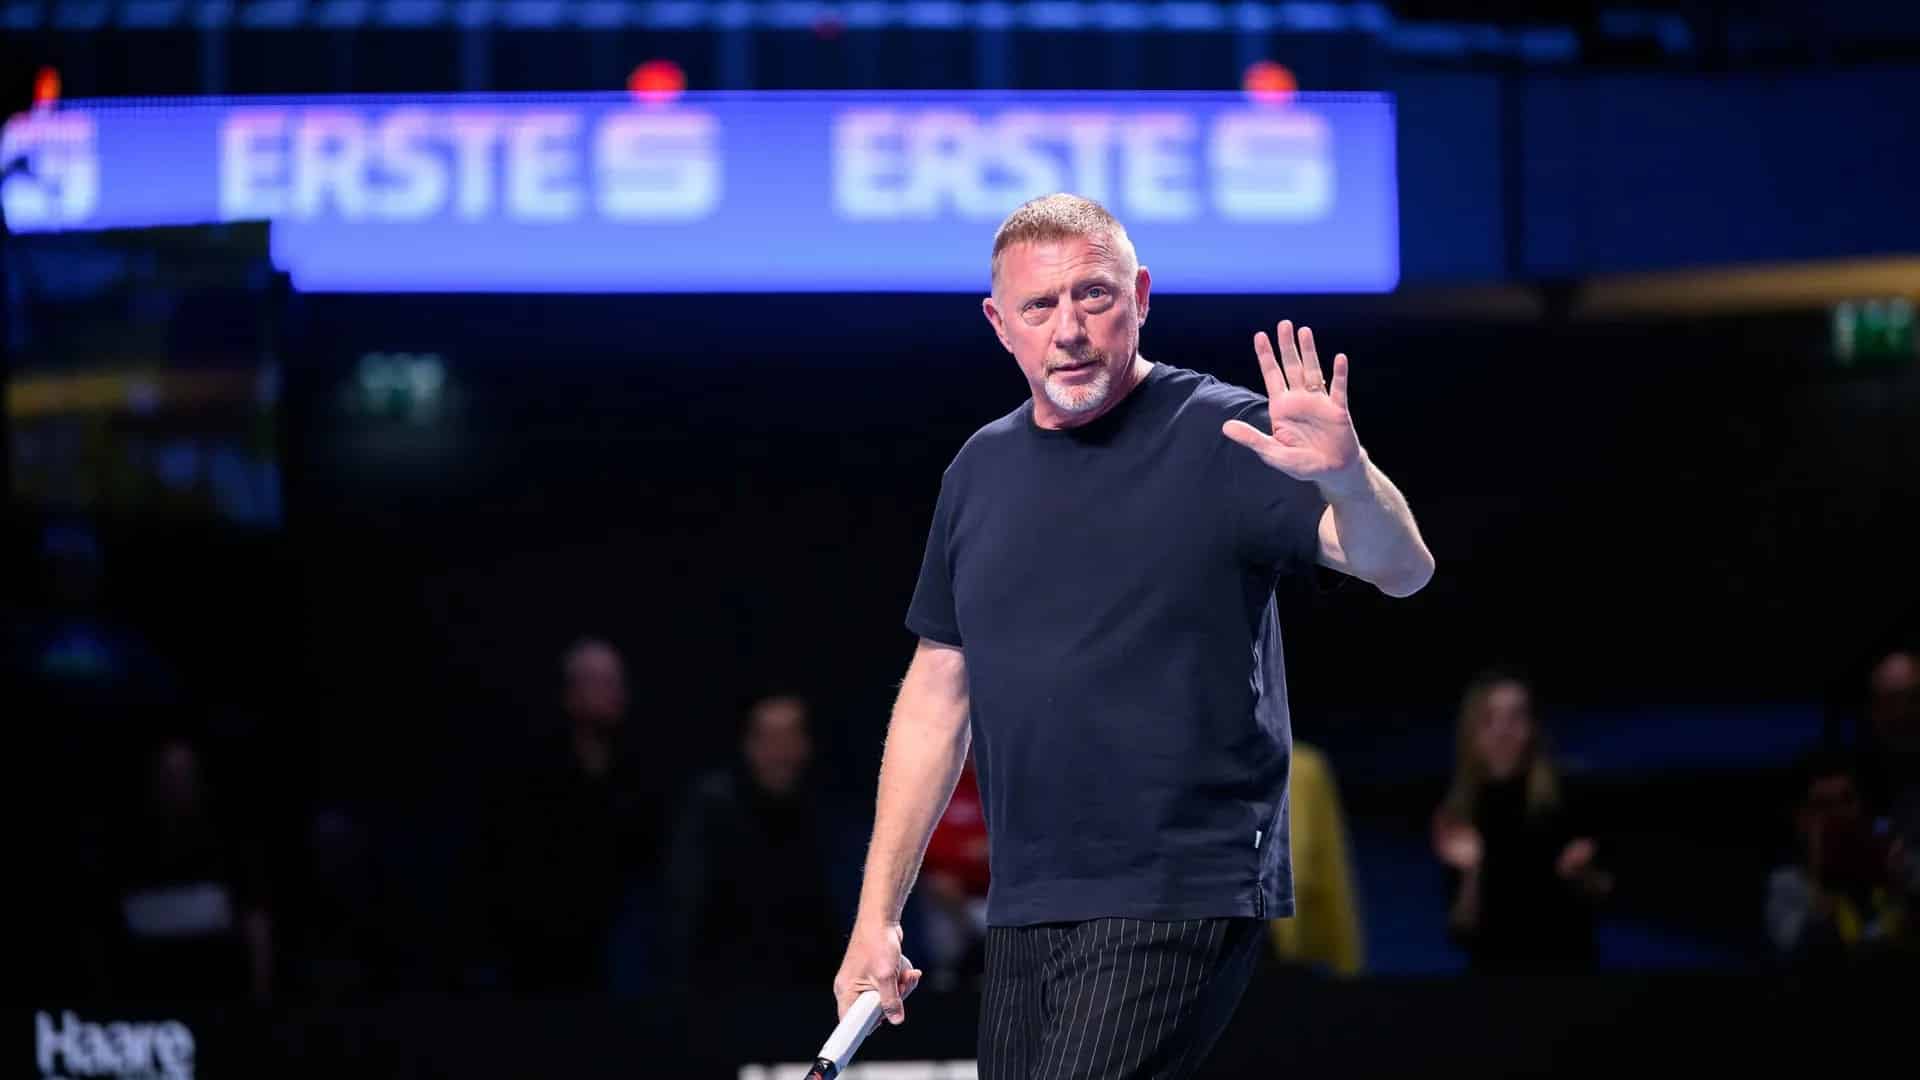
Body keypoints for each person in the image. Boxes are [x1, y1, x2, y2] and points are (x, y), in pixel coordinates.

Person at [832, 193, 1434, 1080]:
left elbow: (1402, 567)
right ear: (1000, 324)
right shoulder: (978, 472)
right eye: (1040, 306)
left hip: (1178, 882)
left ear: (1141, 296)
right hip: (1029, 898)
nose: (1069, 329)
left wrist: (1351, 479)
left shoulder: (1226, 434)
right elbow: (935, 695)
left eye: (1095, 295)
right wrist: (877, 915)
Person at [477, 638, 667, 995]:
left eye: (616, 683)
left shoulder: (639, 773)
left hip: (618, 950)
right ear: (569, 693)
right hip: (540, 948)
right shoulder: (530, 772)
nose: (612, 693)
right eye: (599, 682)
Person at [665, 693, 855, 991]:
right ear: (747, 744)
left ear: (806, 744)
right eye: (768, 738)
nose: (780, 752)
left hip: (815, 989)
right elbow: (684, 916)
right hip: (720, 989)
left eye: (789, 736)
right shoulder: (711, 812)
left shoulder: (829, 815)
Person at [1430, 669, 1611, 974]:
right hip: (1493, 979)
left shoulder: (1570, 795)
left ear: (1533, 726)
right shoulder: (1459, 810)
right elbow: (1461, 931)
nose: (1503, 732)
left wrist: (1582, 874)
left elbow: (1605, 896)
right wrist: (1472, 874)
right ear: (1471, 732)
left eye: (1516, 717)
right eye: (1489, 719)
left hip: (1569, 972)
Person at [1764, 749, 1911, 967]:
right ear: (1801, 819)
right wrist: (1823, 877)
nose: (1840, 814)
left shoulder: (1899, 863)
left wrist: (1902, 889)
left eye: (1847, 800)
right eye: (1824, 805)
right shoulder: (1786, 886)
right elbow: (1805, 956)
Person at [1265, 742, 1365, 977]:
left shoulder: (1304, 771)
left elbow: (1333, 877)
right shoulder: (1189, 767)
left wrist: (1348, 970)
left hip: (1282, 963)